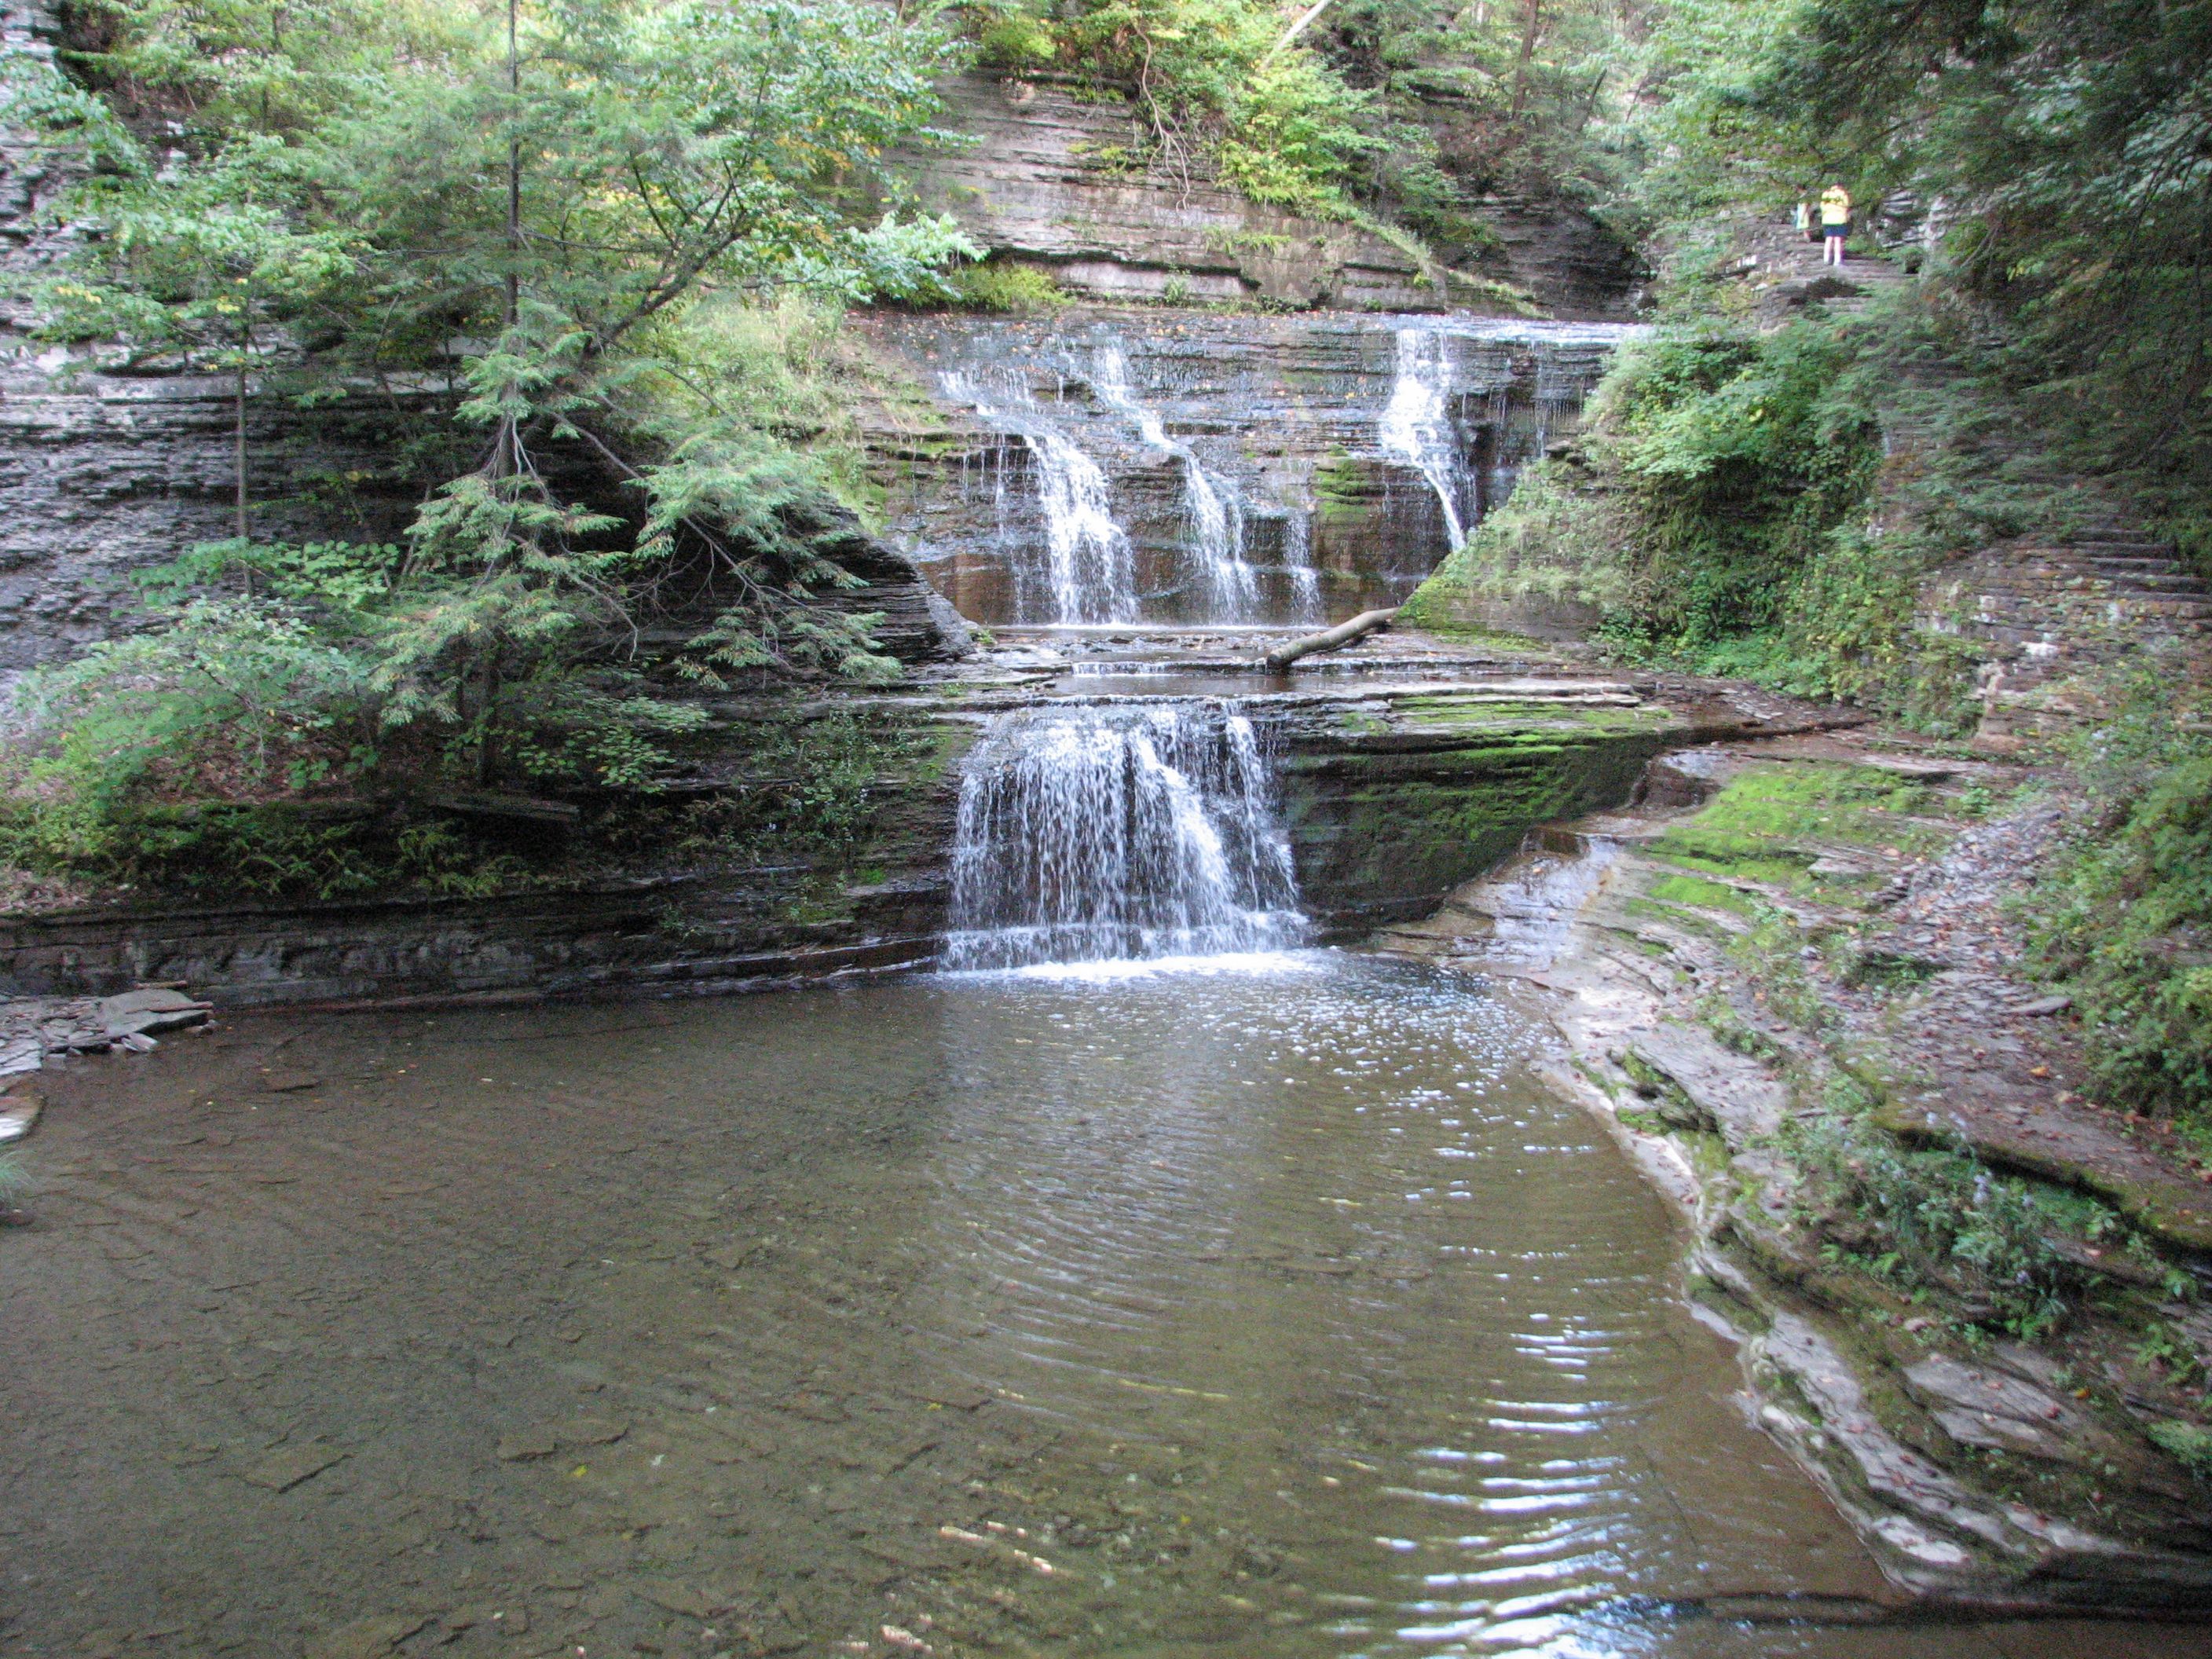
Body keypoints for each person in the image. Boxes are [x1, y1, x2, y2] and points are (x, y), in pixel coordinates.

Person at [1820, 184, 1851, 266]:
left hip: (1827, 219)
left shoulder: (1826, 194)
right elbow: (1846, 207)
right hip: (1839, 219)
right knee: (1838, 240)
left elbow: (1822, 207)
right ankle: (1837, 260)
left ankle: (1826, 259)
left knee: (1829, 239)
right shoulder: (1843, 194)